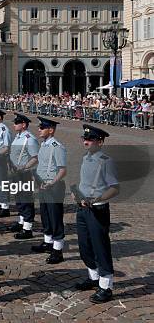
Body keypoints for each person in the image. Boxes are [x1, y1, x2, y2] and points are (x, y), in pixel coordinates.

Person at [73, 125, 120, 303]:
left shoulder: (106, 160)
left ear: (100, 142)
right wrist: (76, 192)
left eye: (90, 139)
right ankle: (93, 278)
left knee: (101, 248)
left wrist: (96, 199)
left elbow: (115, 188)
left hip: (98, 209)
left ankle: (106, 286)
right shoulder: (86, 157)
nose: (86, 141)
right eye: (85, 138)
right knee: (84, 246)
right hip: (83, 208)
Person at [32, 116, 67, 264]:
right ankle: (48, 242)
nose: (39, 129)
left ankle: (58, 250)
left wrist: (52, 183)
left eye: (42, 127)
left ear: (51, 130)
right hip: (43, 185)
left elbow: (62, 170)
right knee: (45, 215)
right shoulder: (44, 145)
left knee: (55, 218)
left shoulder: (56, 146)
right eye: (40, 127)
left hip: (53, 187)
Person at [9, 113, 39, 239]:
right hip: (16, 172)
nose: (14, 125)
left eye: (17, 123)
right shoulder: (18, 137)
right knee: (19, 198)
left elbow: (35, 157)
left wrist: (25, 167)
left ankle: (27, 228)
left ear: (24, 125)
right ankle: (21, 221)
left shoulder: (29, 138)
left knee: (26, 199)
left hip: (25, 173)